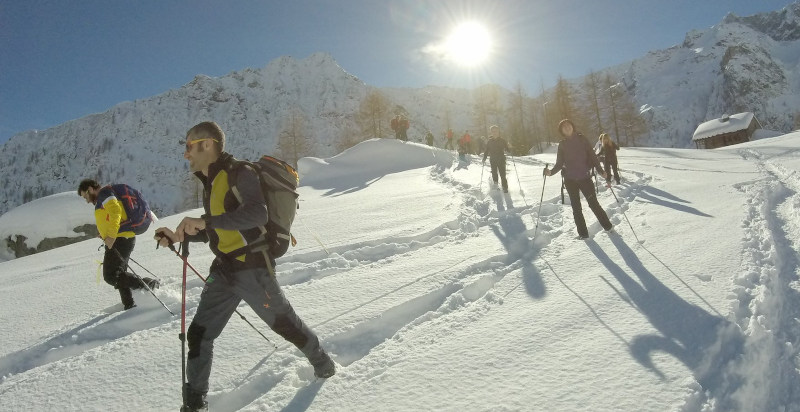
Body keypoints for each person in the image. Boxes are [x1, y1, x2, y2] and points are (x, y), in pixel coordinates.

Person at [154, 121, 335, 412]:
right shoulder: (211, 181)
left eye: (189, 146)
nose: (185, 154)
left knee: (285, 324)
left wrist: (206, 221)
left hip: (253, 268)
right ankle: (195, 404)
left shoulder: (240, 172)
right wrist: (178, 236)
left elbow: (257, 214)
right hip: (223, 270)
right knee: (199, 334)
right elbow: (220, 228)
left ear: (207, 144)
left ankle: (324, 364)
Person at [78, 179, 158, 310]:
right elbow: (112, 217)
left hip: (120, 239)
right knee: (120, 274)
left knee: (111, 276)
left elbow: (116, 211)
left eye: (85, 196)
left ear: (90, 189)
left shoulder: (104, 194)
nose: (86, 200)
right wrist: (105, 233)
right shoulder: (104, 196)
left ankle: (148, 284)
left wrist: (111, 235)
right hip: (122, 238)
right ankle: (129, 304)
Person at [545, 119, 613, 239]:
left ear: (573, 126)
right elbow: (559, 163)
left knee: (593, 204)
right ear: (561, 131)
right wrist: (550, 172)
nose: (567, 127)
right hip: (570, 180)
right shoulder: (562, 144)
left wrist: (601, 171)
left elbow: (593, 156)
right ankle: (583, 234)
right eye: (564, 127)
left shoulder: (582, 139)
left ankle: (608, 227)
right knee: (576, 208)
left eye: (568, 125)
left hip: (585, 177)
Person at [482, 125, 510, 193]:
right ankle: (496, 187)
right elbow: (486, 151)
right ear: (491, 132)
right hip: (493, 159)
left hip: (501, 159)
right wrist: (484, 158)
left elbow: (507, 149)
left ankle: (505, 188)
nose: (494, 133)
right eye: (493, 131)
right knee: (494, 173)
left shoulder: (502, 140)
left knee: (502, 174)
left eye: (496, 131)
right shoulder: (489, 141)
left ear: (498, 131)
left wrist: (509, 148)